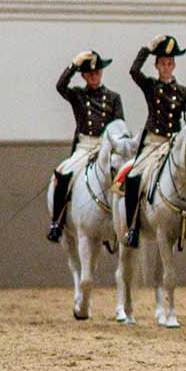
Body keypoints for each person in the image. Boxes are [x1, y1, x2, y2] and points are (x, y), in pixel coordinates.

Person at [120, 36, 186, 250]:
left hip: (173, 144)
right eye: (162, 63)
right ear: (156, 65)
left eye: (170, 63)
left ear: (174, 65)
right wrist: (147, 48)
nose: (166, 67)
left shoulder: (183, 92)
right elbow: (134, 71)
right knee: (134, 176)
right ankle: (132, 227)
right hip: (153, 142)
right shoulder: (151, 86)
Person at [48, 50, 125, 242]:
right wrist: (73, 64)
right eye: (90, 73)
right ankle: (57, 222)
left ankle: (129, 223)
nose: (94, 76)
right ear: (83, 76)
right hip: (85, 147)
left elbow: (119, 125)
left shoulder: (114, 98)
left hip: (105, 147)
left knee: (125, 177)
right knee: (64, 175)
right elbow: (60, 86)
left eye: (97, 72)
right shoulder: (78, 95)